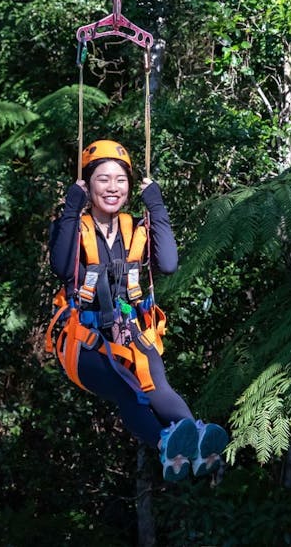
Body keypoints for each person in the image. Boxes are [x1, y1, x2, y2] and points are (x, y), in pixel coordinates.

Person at [47, 139, 228, 482]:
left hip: (129, 332)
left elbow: (170, 264)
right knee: (127, 386)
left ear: (129, 186)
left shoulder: (136, 229)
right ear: (87, 184)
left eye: (120, 180)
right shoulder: (71, 225)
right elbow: (60, 266)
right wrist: (71, 208)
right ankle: (166, 444)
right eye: (103, 179)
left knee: (156, 384)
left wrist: (156, 208)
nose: (112, 187)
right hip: (83, 343)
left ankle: (195, 440)